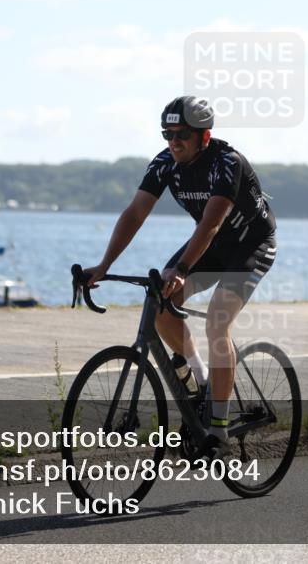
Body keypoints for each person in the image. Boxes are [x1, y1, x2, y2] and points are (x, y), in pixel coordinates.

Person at [83, 95, 276, 462]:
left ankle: (218, 432)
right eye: (167, 134)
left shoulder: (227, 163)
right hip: (212, 245)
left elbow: (212, 222)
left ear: (204, 136)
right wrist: (104, 264)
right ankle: (201, 383)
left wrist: (182, 269)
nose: (174, 141)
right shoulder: (164, 164)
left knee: (217, 322)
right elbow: (136, 212)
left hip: (250, 245)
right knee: (161, 306)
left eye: (182, 134)